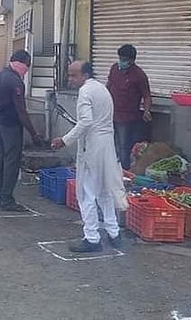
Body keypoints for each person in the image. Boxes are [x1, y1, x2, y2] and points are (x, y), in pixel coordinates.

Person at [52, 61, 127, 253]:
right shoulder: (102, 89)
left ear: (85, 75)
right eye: (69, 75)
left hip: (92, 147)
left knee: (86, 194)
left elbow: (86, 122)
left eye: (73, 75)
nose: (70, 79)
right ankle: (114, 233)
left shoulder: (85, 92)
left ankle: (92, 238)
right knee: (104, 191)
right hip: (106, 145)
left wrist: (64, 140)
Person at [0, 50, 43, 212]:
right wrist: (34, 134)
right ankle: (7, 200)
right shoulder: (15, 81)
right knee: (11, 164)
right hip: (11, 127)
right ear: (22, 63)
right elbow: (21, 111)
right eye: (28, 65)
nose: (27, 69)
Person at [106, 44, 152, 170]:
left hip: (127, 117)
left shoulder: (139, 75)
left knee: (124, 145)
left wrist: (146, 111)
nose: (121, 61)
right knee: (108, 143)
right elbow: (108, 86)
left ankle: (124, 171)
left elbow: (146, 95)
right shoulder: (114, 68)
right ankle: (109, 168)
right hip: (110, 113)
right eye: (120, 58)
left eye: (124, 59)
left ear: (132, 60)